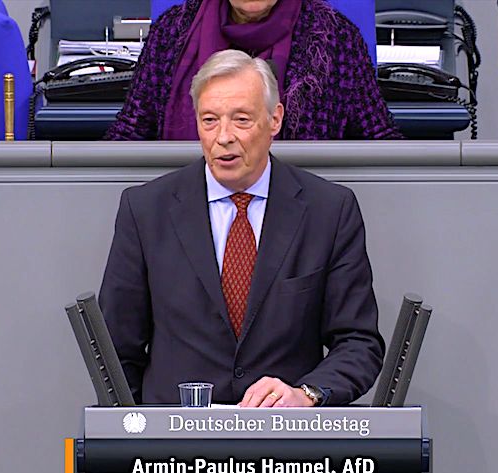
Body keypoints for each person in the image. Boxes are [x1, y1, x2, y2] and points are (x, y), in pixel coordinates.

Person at [99, 50, 384, 406]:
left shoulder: (329, 210)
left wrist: (306, 395)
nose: (223, 137)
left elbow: (358, 342)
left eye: (241, 120)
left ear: (275, 119)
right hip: (174, 436)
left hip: (285, 436)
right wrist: (137, 428)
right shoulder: (145, 210)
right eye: (209, 120)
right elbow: (115, 349)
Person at [104, 0, 401, 141]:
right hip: (187, 209)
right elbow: (131, 130)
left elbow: (378, 134)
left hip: (298, 214)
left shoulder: (335, 36)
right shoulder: (172, 31)